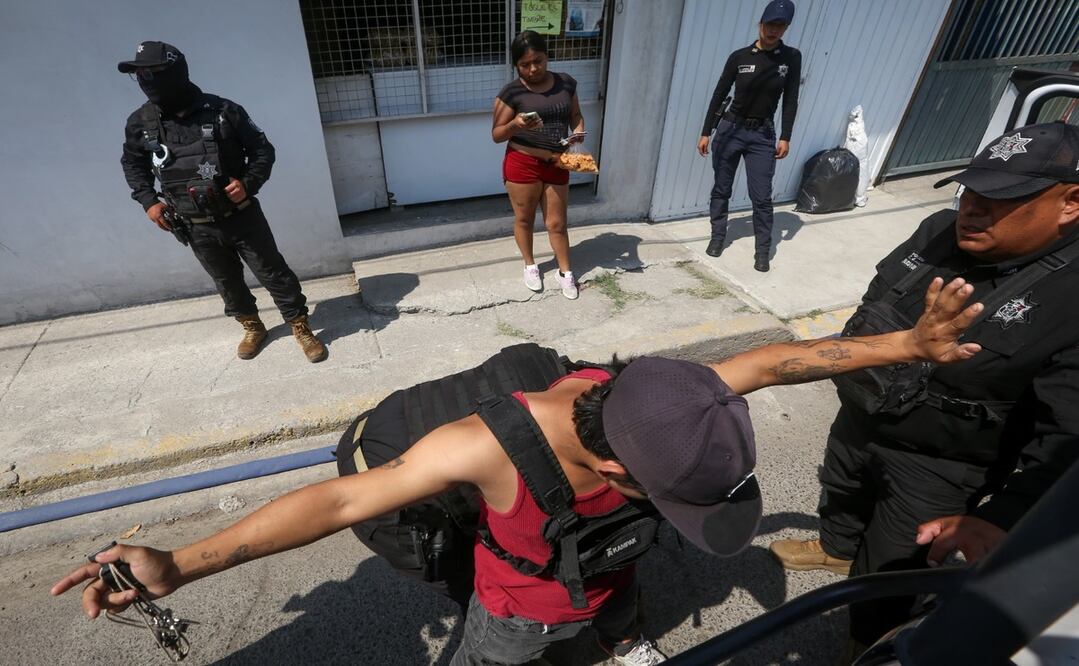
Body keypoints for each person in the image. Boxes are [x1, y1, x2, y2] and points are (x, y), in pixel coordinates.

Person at [52, 277, 984, 665]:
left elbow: (781, 359)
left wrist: (906, 341)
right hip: (513, 605)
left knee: (613, 611)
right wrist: (180, 565)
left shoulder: (668, 391)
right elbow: (340, 498)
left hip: (607, 568)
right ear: (613, 459)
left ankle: (614, 642)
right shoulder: (484, 447)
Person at [769, 121, 1079, 652]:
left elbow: (1066, 441)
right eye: (971, 190)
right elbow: (876, 300)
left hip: (939, 463)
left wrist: (1001, 518)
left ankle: (866, 647)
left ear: (1070, 203)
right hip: (865, 409)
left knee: (890, 575)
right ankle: (836, 546)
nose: (971, 209)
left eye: (999, 199)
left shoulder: (1070, 295)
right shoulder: (938, 228)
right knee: (841, 492)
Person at [118, 41, 326, 362]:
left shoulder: (222, 111)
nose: (145, 80)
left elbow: (262, 151)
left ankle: (300, 325)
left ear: (174, 71)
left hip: (241, 216)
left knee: (272, 272)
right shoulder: (141, 123)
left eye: (152, 72)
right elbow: (133, 164)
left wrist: (248, 184)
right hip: (193, 224)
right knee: (226, 280)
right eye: (139, 74)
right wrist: (149, 201)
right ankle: (253, 326)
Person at [696, 0, 801, 273]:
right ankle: (718, 236)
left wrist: (786, 135)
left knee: (762, 197)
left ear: (786, 27)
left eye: (780, 25)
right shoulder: (739, 57)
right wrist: (706, 131)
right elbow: (719, 94)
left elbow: (791, 99)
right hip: (730, 130)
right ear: (760, 24)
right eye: (770, 24)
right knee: (722, 188)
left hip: (763, 136)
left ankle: (762, 250)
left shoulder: (791, 58)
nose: (773, 30)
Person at [492, 31, 586, 300]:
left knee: (557, 222)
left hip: (559, 161)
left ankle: (565, 272)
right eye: (525, 64)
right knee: (524, 218)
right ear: (516, 65)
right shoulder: (511, 92)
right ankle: (530, 265)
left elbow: (575, 114)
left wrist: (578, 131)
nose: (533, 69)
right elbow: (497, 135)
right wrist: (515, 124)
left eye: (539, 61)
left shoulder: (566, 83)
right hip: (523, 163)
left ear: (547, 56)